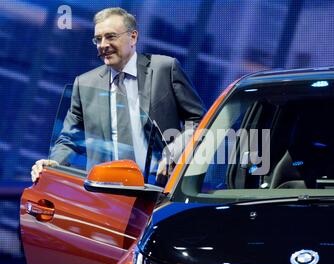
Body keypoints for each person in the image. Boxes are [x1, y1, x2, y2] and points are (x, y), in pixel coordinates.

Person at [31, 7, 205, 183]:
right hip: (104, 194)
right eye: (98, 39)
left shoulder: (165, 69)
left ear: (133, 37)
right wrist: (56, 163)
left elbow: (199, 121)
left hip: (159, 188)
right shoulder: (84, 84)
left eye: (110, 36)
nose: (103, 45)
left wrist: (174, 152)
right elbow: (69, 139)